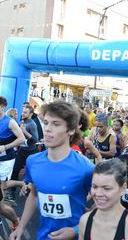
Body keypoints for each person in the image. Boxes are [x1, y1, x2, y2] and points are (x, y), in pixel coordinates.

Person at [9, 100, 95, 240]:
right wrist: (21, 227)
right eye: (46, 122)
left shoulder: (86, 168)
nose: (47, 129)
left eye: (56, 124)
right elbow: (34, 195)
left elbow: (107, 204)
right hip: (43, 236)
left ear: (71, 130)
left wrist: (76, 229)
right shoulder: (33, 161)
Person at [79, 159, 128, 240]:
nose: (98, 193)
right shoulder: (85, 221)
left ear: (122, 189)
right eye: (95, 186)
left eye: (106, 188)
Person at [0, 96, 25, 230]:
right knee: (2, 187)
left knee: (1, 198)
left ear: (3, 107)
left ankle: (16, 220)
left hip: (5, 160)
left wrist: (5, 147)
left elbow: (21, 138)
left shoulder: (10, 122)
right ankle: (20, 183)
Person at [8, 104, 39, 202]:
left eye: (25, 112)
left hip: (31, 152)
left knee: (31, 173)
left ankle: (30, 193)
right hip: (22, 151)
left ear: (30, 114)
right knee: (15, 170)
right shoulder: (22, 121)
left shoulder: (32, 124)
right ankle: (11, 193)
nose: (23, 113)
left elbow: (35, 140)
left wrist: (24, 131)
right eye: (23, 112)